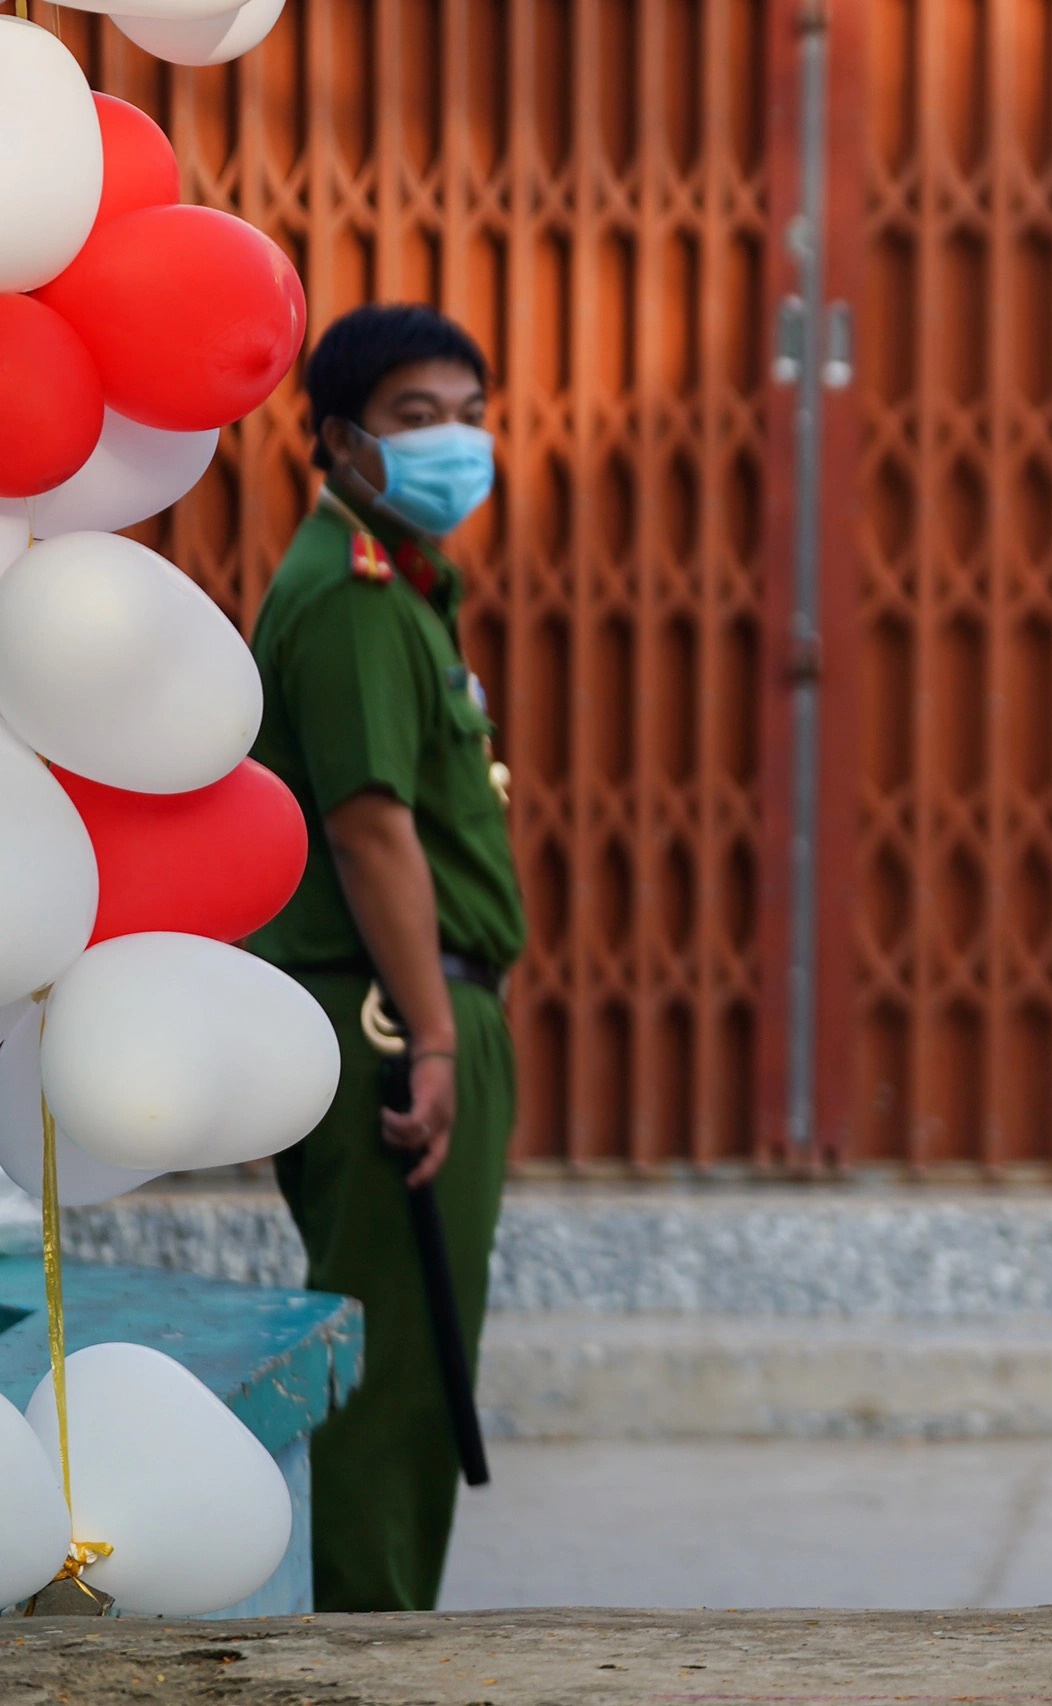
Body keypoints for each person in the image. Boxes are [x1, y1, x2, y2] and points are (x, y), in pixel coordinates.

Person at [247, 303, 524, 1612]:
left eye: (470, 413)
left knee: (416, 1360)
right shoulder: (353, 599)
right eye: (418, 418)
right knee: (394, 1370)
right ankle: (369, 1659)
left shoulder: (401, 586)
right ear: (341, 440)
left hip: (405, 1016)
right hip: (390, 1027)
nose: (456, 442)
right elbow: (369, 832)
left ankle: (381, 1634)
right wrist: (441, 1033)